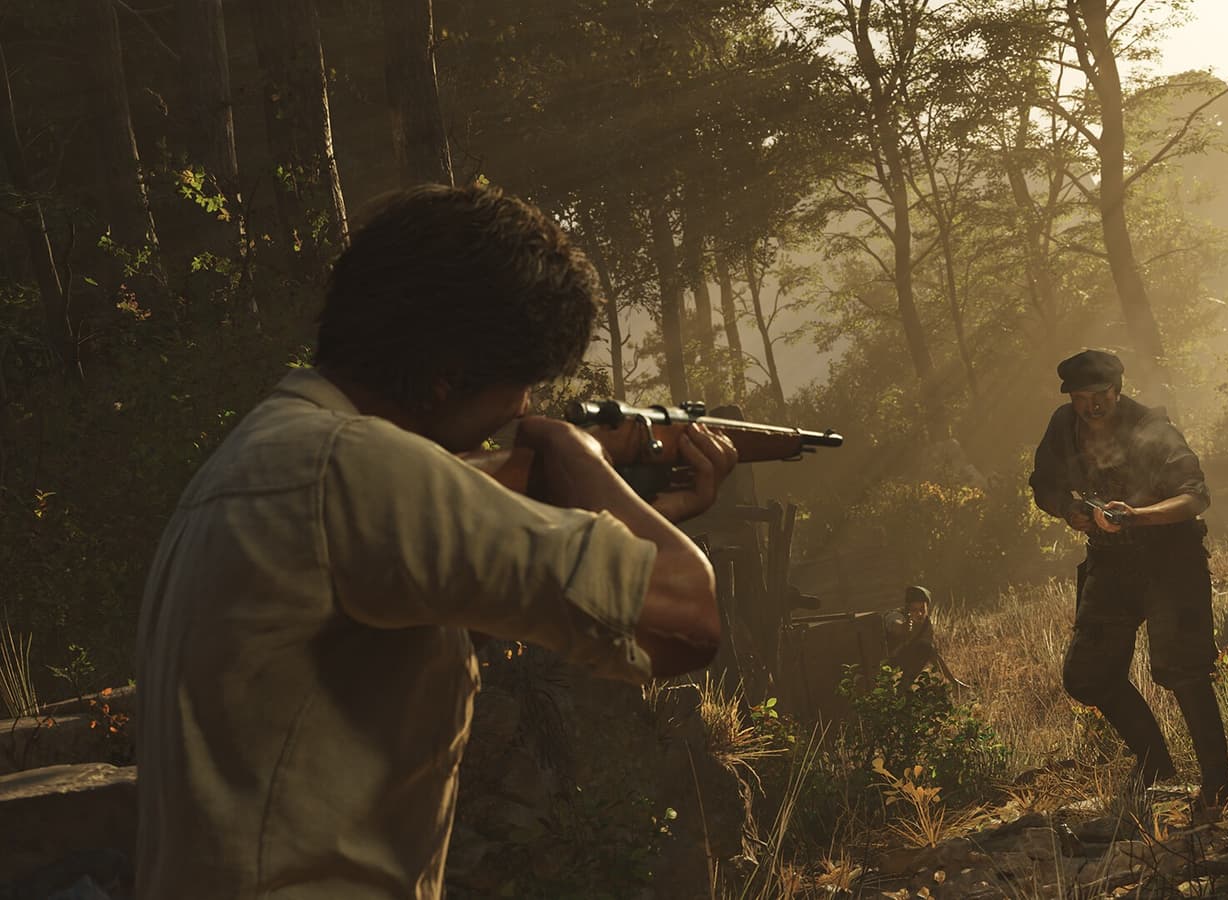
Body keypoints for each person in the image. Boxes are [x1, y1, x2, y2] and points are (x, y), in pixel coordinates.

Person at [134, 184, 739, 900]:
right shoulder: (359, 470)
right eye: (521, 386)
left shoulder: (270, 454)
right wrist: (572, 453)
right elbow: (687, 619)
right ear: (446, 376)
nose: (522, 408)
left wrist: (636, 507)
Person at [1028, 349, 1228, 809]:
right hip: (1110, 563)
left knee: (1183, 669)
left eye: (1099, 395)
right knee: (1087, 675)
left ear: (1117, 391)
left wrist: (1138, 515)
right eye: (1080, 397)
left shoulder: (1152, 429)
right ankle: (1155, 765)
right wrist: (1070, 509)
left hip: (1171, 561)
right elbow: (1043, 484)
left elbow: (1196, 496)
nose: (1091, 406)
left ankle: (1219, 785)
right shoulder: (1063, 426)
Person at [885, 586, 965, 687]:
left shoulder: (926, 624)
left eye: (922, 609)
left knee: (925, 648)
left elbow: (931, 653)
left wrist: (953, 681)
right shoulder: (895, 615)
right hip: (884, 663)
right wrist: (904, 627)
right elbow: (895, 625)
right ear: (907, 608)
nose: (919, 613)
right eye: (914, 610)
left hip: (902, 660)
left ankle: (903, 689)